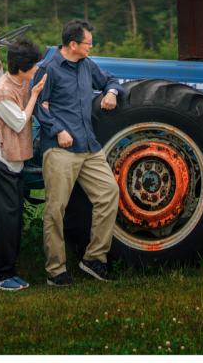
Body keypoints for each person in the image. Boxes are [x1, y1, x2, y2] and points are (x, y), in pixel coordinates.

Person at [34, 20, 123, 286]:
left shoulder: (87, 65)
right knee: (55, 210)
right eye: (88, 43)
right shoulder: (48, 69)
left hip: (89, 148)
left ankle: (94, 258)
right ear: (73, 44)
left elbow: (110, 80)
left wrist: (111, 92)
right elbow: (37, 104)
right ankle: (56, 271)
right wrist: (58, 130)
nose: (91, 47)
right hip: (60, 149)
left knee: (109, 193)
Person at [0, 39, 47, 291]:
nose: (37, 69)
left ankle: (9, 270)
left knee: (13, 216)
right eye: (34, 65)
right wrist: (35, 95)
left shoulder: (21, 81)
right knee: (7, 218)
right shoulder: (2, 91)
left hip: (12, 158)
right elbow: (18, 122)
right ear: (23, 68)